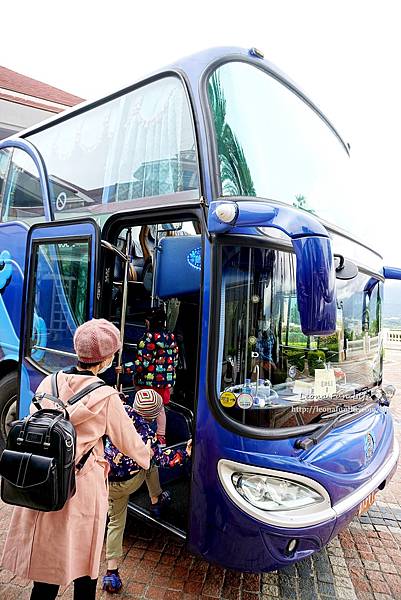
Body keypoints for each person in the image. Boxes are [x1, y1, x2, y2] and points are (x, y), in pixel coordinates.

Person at [1, 318, 152, 600]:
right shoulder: (107, 396)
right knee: (85, 568)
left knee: (46, 574)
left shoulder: (50, 382)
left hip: (48, 481)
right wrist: (150, 456)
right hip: (83, 487)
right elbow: (130, 444)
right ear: (106, 359)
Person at [103, 387, 191, 593]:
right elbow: (168, 460)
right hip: (130, 481)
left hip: (108, 480)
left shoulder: (120, 411)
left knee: (116, 522)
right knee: (150, 463)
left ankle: (111, 573)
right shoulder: (147, 438)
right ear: (153, 416)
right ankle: (156, 501)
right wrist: (185, 452)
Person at [134, 307, 179, 446]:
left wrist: (125, 368)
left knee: (143, 407)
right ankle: (161, 437)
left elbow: (143, 363)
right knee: (160, 409)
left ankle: (139, 435)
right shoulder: (170, 336)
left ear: (149, 322)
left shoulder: (148, 338)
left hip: (149, 382)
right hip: (165, 382)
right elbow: (175, 360)